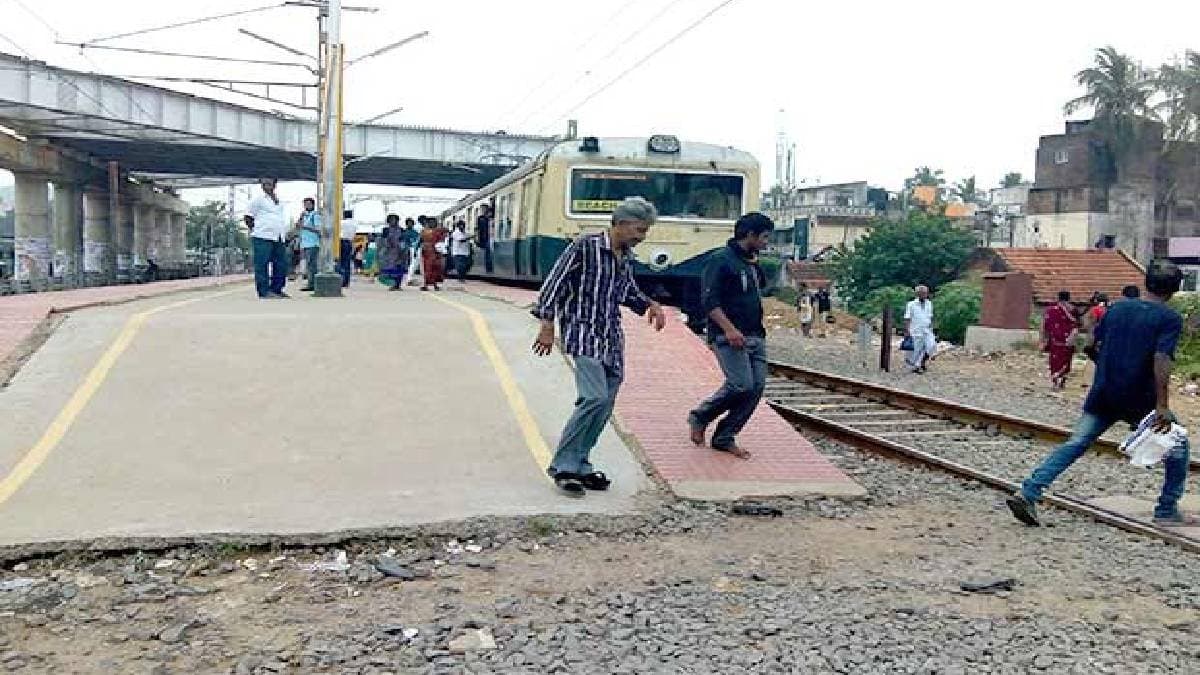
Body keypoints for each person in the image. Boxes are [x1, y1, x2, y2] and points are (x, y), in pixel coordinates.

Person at [1006, 260, 1193, 528]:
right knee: (1177, 445)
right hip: (1140, 399)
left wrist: (1108, 367)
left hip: (1104, 392)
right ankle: (1166, 508)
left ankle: (1029, 491)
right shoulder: (1168, 318)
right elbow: (1161, 358)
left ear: (1146, 283)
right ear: (1174, 290)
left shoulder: (1114, 310)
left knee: (1076, 443)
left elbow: (1091, 345)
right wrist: (1162, 405)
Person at [532, 196, 666, 497]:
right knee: (592, 398)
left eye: (645, 231)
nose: (641, 237)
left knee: (605, 404)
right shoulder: (585, 246)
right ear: (619, 224)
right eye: (638, 230)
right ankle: (563, 466)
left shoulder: (625, 256)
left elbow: (627, 290)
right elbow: (555, 283)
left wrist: (650, 305)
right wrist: (547, 324)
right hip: (583, 332)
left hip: (611, 337)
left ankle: (581, 464)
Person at [687, 212, 775, 459]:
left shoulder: (751, 262)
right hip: (729, 336)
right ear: (750, 235)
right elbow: (709, 300)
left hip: (756, 335)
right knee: (740, 384)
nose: (767, 243)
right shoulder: (721, 260)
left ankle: (725, 436)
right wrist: (728, 329)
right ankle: (701, 416)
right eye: (765, 237)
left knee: (756, 389)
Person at [244, 178, 290, 299]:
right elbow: (248, 216)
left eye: (269, 184)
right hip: (262, 236)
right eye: (264, 184)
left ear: (275, 185)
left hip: (278, 236)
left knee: (281, 264)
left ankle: (277, 289)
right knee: (262, 264)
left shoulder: (279, 201)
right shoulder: (258, 200)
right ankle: (263, 291)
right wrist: (255, 229)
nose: (266, 186)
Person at [1042, 290, 1079, 390]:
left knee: (1055, 361)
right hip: (1068, 341)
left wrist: (1044, 339)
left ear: (1058, 297)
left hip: (1055, 341)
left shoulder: (1051, 310)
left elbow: (1046, 325)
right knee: (1066, 361)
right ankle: (1062, 381)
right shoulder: (1073, 309)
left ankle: (1055, 382)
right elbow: (1077, 325)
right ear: (1069, 298)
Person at [904, 285, 935, 373]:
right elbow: (907, 318)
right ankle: (917, 366)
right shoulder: (911, 304)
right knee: (916, 350)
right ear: (918, 294)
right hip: (915, 330)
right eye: (922, 293)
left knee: (931, 346)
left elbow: (931, 316)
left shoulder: (929, 303)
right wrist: (907, 330)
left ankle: (921, 363)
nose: (924, 295)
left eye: (925, 293)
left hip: (927, 329)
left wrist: (932, 327)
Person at [295, 197, 322, 292]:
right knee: (308, 265)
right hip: (305, 243)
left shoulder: (315, 215)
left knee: (312, 265)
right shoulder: (304, 216)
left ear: (312, 205)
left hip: (313, 243)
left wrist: (305, 227)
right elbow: (297, 226)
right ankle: (310, 283)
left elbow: (318, 230)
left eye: (308, 204)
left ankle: (312, 284)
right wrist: (301, 218)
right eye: (305, 204)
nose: (306, 206)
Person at [377, 215, 409, 291]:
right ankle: (393, 284)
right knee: (390, 268)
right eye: (391, 220)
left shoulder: (401, 230)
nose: (392, 222)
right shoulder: (385, 230)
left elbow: (403, 241)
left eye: (394, 220)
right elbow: (382, 241)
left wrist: (403, 250)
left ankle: (397, 285)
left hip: (400, 252)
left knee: (399, 268)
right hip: (389, 253)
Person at [420, 216, 449, 291]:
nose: (432, 223)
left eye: (433, 222)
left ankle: (435, 285)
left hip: (435, 252)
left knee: (436, 269)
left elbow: (446, 232)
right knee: (427, 269)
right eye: (430, 222)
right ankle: (426, 285)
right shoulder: (424, 231)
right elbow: (421, 240)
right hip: (427, 252)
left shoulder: (438, 231)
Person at [337, 211, 356, 288]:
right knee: (347, 262)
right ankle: (346, 282)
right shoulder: (354, 224)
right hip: (349, 242)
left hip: (341, 241)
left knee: (340, 262)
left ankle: (341, 280)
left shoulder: (342, 222)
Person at [476, 203, 494, 273]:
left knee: (489, 254)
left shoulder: (490, 218)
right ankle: (488, 268)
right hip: (485, 238)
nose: (483, 210)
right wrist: (478, 239)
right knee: (487, 254)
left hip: (490, 237)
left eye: (484, 209)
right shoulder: (480, 218)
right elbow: (478, 229)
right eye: (482, 209)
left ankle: (489, 268)